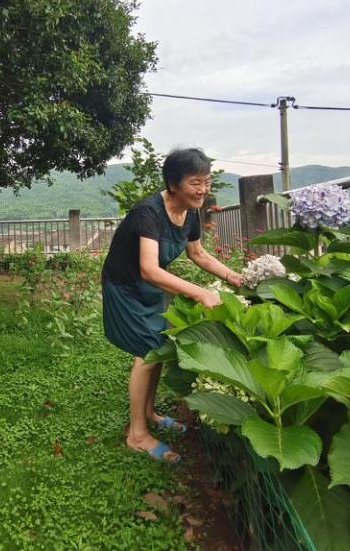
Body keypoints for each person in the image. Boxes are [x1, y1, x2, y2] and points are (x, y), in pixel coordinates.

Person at [101, 147, 243, 463]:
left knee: (160, 346)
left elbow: (199, 254)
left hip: (151, 287)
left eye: (206, 182)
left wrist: (234, 276)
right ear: (173, 183)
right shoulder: (148, 213)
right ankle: (136, 435)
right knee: (148, 354)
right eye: (196, 182)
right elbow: (149, 268)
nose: (203, 189)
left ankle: (149, 413)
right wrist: (200, 293)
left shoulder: (189, 212)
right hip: (125, 287)